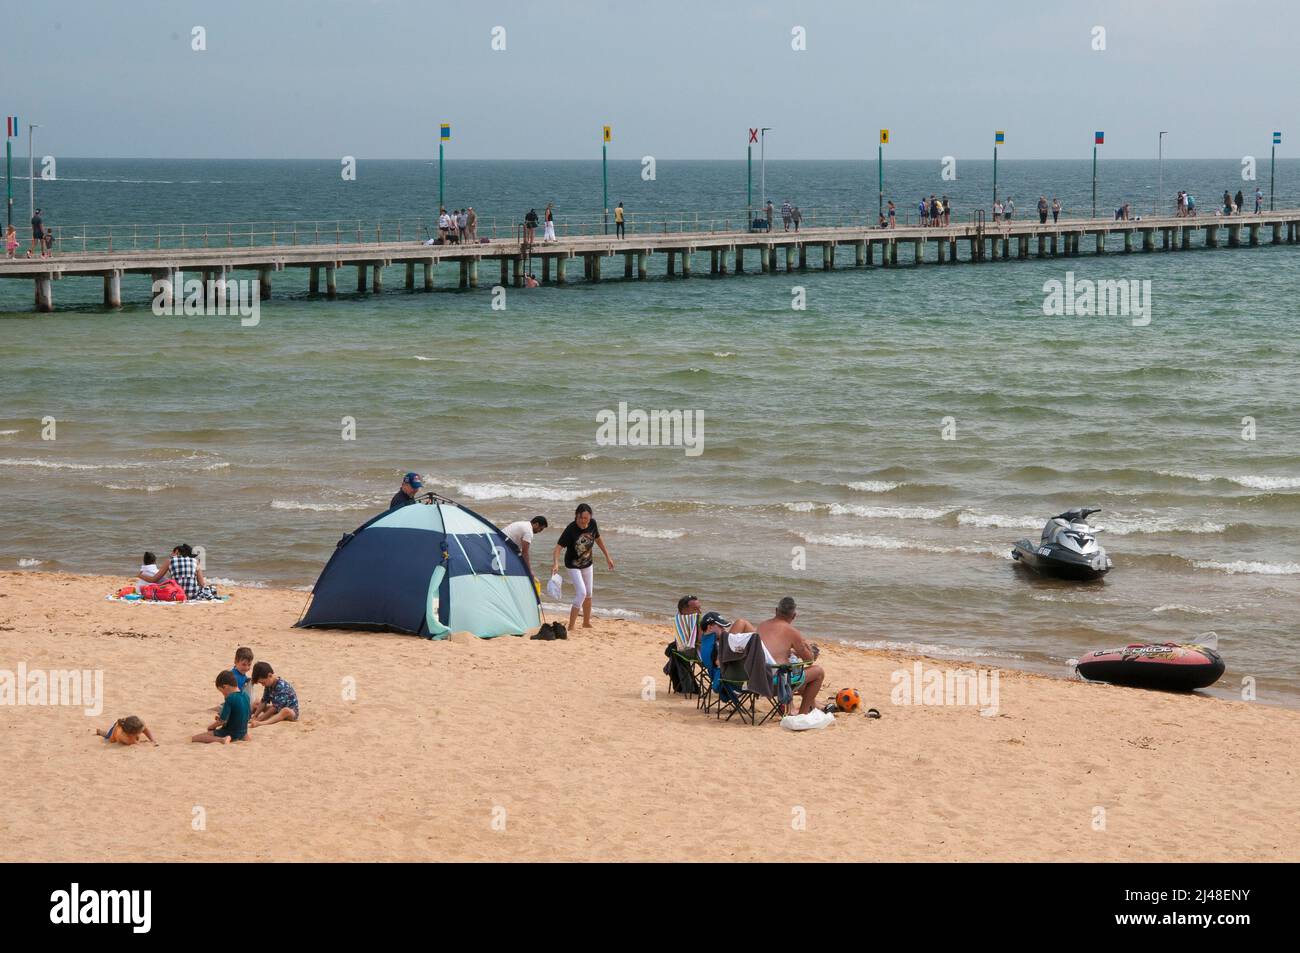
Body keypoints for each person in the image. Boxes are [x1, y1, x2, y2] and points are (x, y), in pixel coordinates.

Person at [755, 597, 825, 715]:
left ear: (776, 610)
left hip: (757, 681)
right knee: (818, 672)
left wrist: (792, 652)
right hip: (776, 685)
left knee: (792, 666)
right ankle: (803, 714)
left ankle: (802, 706)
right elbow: (809, 660)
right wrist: (809, 649)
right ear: (794, 616)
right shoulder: (792, 632)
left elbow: (772, 653)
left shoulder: (761, 626)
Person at [551, 503, 614, 630]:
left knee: (589, 594)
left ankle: (586, 622)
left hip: (587, 563)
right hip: (572, 565)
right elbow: (558, 548)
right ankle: (571, 626)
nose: (583, 521)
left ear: (590, 517)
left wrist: (608, 557)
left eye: (586, 518)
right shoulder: (571, 529)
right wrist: (556, 563)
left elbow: (598, 539)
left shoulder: (593, 524)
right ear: (576, 516)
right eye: (580, 518)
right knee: (582, 593)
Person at [193, 670, 252, 743]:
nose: (223, 695)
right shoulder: (246, 696)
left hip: (230, 732)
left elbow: (222, 720)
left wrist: (212, 726)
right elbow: (248, 716)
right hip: (243, 732)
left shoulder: (230, 698)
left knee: (197, 738)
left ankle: (221, 740)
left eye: (222, 692)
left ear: (225, 687)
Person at [145, 544, 218, 600]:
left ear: (177, 552)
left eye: (172, 552)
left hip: (176, 593)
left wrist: (140, 575)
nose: (171, 554)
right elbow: (202, 584)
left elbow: (154, 579)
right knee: (211, 588)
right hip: (192, 595)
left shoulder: (169, 561)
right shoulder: (195, 561)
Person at [249, 661, 299, 727]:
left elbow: (274, 708)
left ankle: (262, 723)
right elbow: (264, 701)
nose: (263, 685)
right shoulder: (268, 685)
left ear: (270, 675)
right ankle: (248, 717)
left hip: (290, 712)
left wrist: (260, 719)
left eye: (263, 682)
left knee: (285, 711)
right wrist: (255, 716)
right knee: (257, 703)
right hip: (278, 709)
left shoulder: (282, 687)